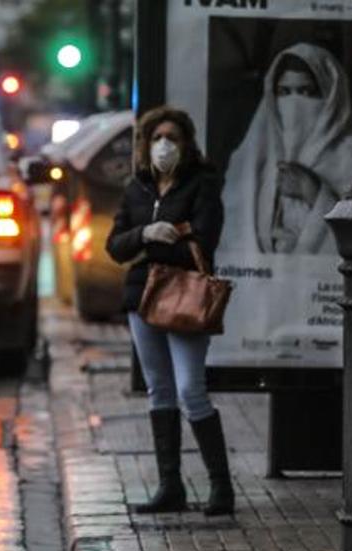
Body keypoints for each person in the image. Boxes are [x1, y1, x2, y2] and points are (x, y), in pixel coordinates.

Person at [106, 106, 233, 517]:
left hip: (184, 300)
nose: (164, 146)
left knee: (190, 390)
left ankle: (221, 486)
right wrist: (144, 233)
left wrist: (152, 244)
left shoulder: (202, 185)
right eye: (157, 137)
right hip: (141, 299)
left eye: (173, 138)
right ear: (146, 144)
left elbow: (204, 240)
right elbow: (114, 245)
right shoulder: (137, 188)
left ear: (186, 143)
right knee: (159, 390)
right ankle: (170, 485)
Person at [222, 43, 352, 255]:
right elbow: (232, 240)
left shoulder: (351, 157)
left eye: (306, 92)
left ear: (328, 96)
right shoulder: (249, 158)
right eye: (284, 92)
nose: (294, 103)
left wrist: (316, 194)